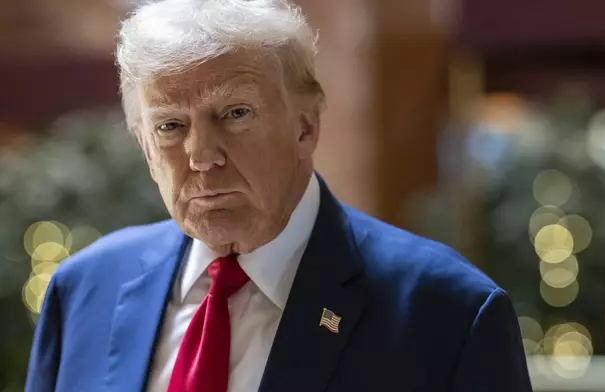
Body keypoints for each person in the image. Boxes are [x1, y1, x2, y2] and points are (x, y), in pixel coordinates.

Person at [26, 0, 533, 391]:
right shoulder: (84, 290)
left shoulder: (448, 314)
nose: (202, 155)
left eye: (235, 114)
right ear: (142, 142)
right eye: (170, 125)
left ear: (306, 126)